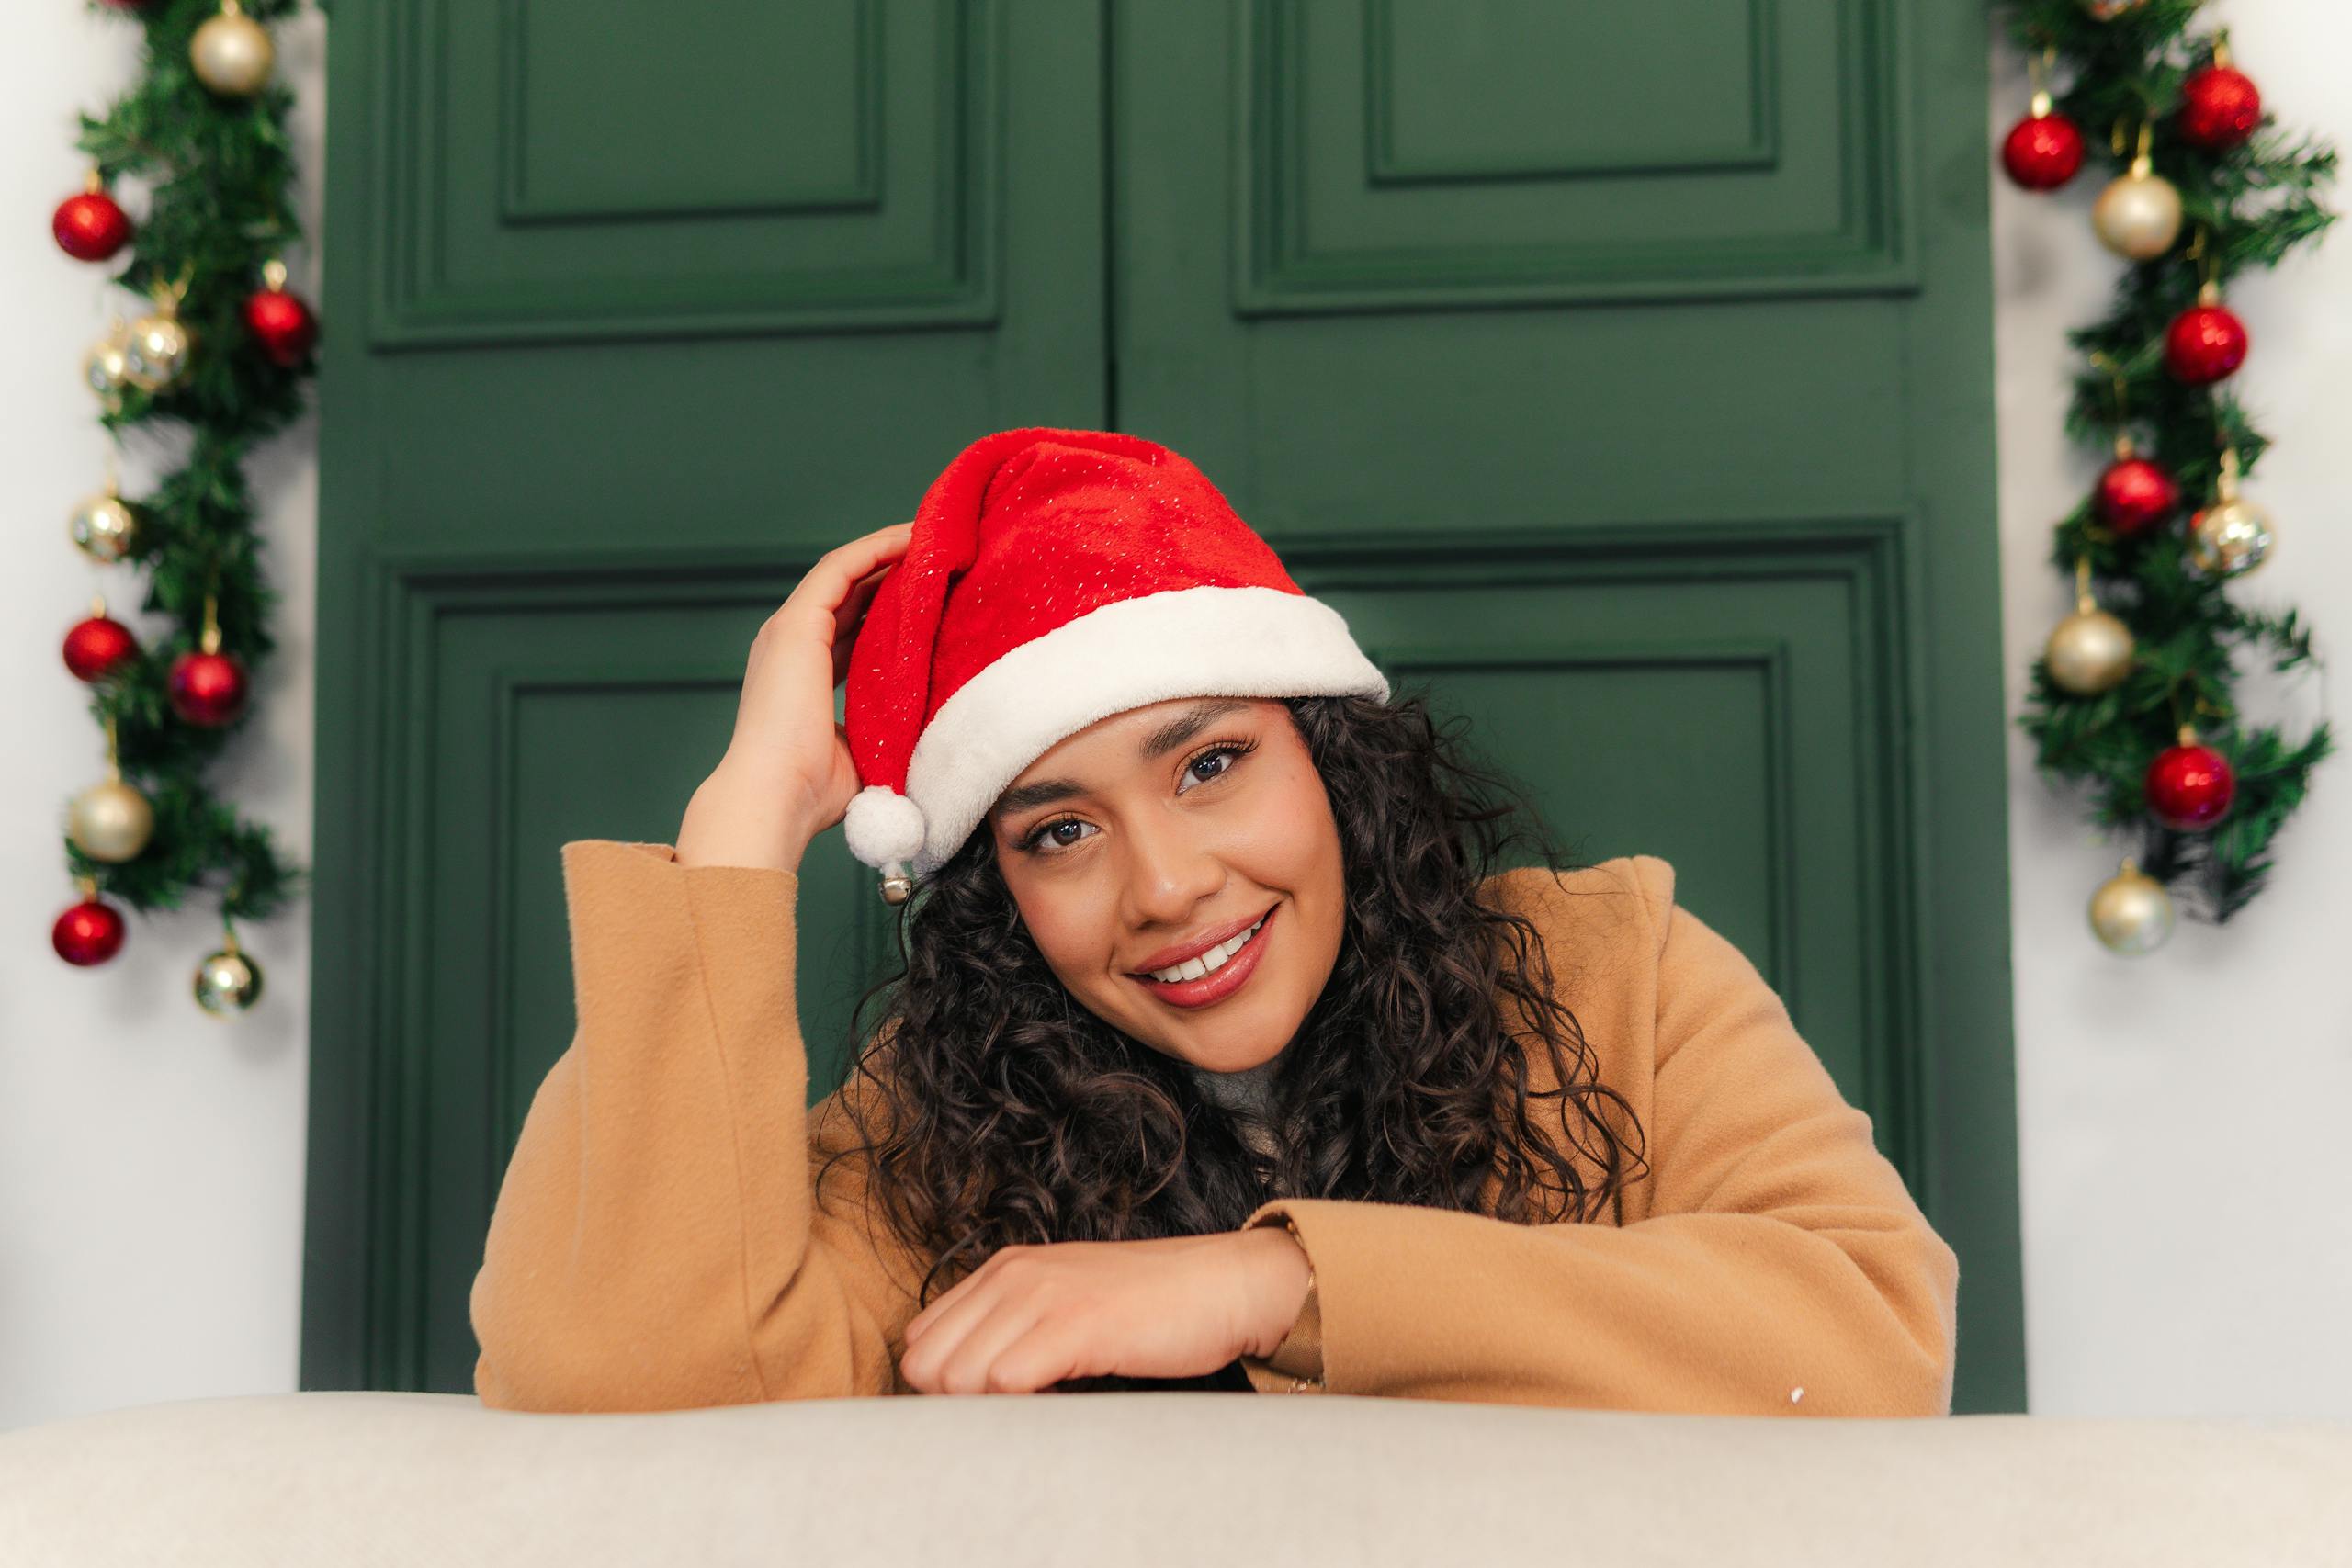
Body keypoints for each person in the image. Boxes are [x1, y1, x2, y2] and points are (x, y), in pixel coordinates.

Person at [469, 428, 1959, 1415]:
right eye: (1059, 832)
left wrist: (1270, 1281)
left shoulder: (1614, 968)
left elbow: (1874, 1332)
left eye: (1211, 762)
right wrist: (742, 829)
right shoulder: (940, 1125)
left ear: (1335, 761)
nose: (1167, 885)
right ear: (998, 902)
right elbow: (621, 1372)